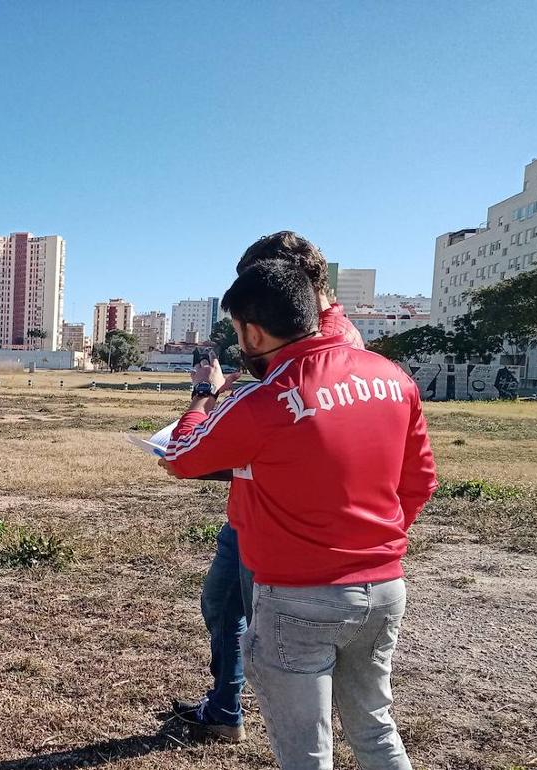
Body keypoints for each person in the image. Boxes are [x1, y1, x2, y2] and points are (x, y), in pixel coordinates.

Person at [162, 260, 437, 769]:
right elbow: (419, 480)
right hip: (384, 587)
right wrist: (374, 541)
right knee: (376, 728)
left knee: (306, 753)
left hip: (298, 598)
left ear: (252, 330)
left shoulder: (267, 400)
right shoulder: (393, 377)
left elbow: (182, 456)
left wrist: (203, 393)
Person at [171, 231, 367, 742]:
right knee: (221, 605)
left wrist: (206, 397)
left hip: (285, 524)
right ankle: (224, 707)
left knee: (281, 656)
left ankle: (260, 716)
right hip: (251, 505)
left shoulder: (331, 346)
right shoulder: (289, 341)